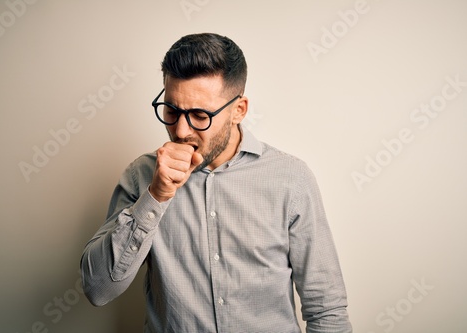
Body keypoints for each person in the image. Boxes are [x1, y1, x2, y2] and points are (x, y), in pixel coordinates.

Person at [80, 32, 352, 333]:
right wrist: (155, 197)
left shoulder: (291, 180)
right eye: (171, 110)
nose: (181, 130)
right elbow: (98, 290)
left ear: (239, 110)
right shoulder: (141, 177)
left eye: (199, 115)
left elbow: (326, 310)